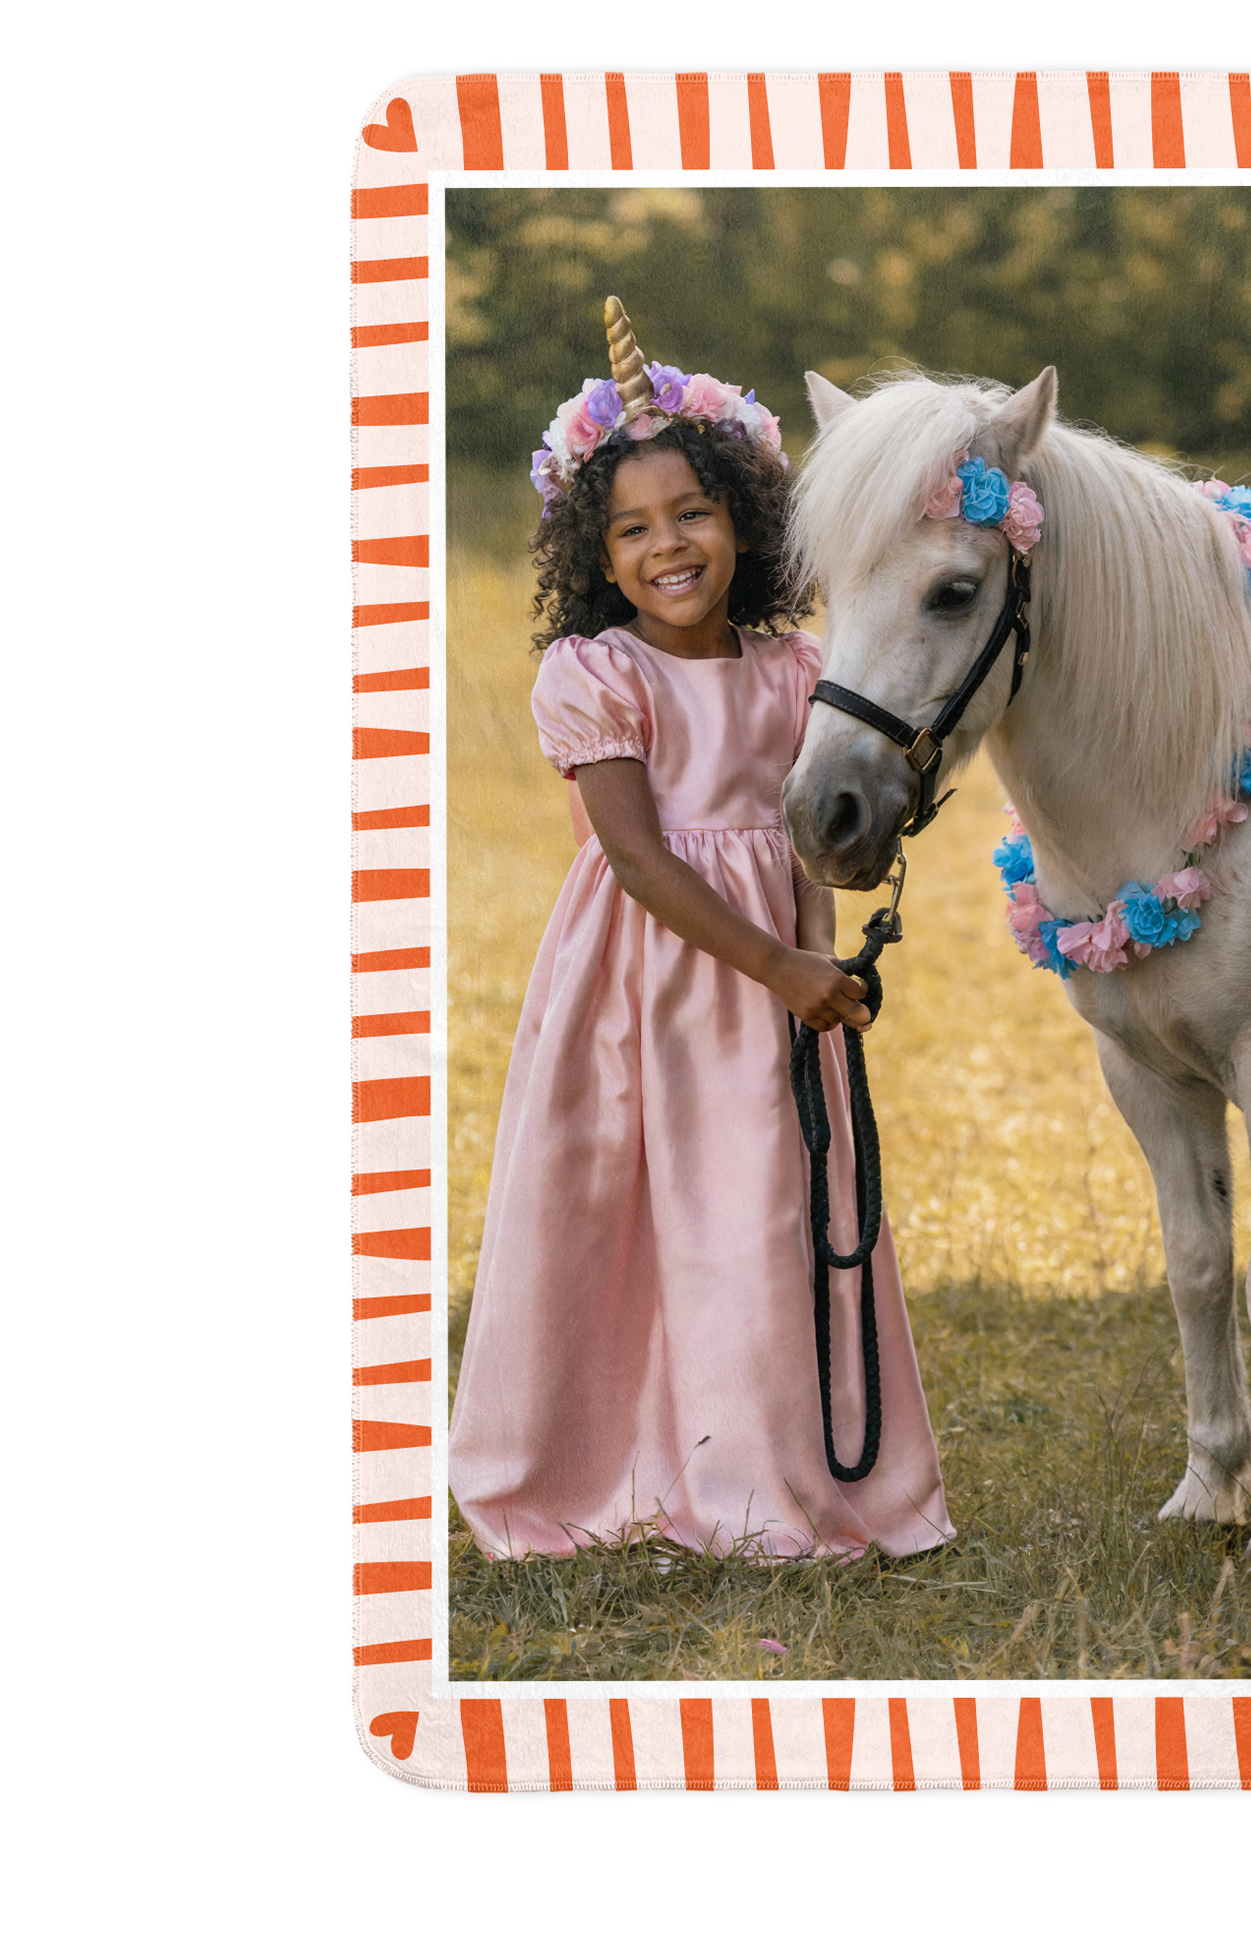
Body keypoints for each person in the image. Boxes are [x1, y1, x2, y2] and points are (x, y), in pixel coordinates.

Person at [447, 300, 952, 1563]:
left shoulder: (794, 670)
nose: (666, 544)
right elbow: (634, 855)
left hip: (778, 986)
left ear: (744, 519)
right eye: (631, 527)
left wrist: (820, 960)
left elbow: (812, 840)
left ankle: (770, 1470)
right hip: (644, 981)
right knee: (618, 1216)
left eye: (691, 513)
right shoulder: (597, 673)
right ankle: (600, 1458)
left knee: (765, 1218)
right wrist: (778, 962)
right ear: (595, 550)